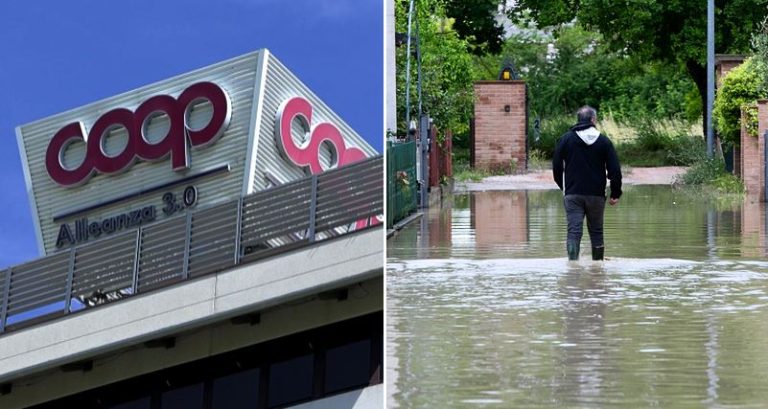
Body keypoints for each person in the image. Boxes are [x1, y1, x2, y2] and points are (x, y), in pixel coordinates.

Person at [552, 106, 622, 261]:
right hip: (596, 195)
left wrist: (564, 188)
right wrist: (615, 193)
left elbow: (556, 166)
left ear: (578, 120)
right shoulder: (604, 141)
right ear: (593, 120)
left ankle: (572, 266)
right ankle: (598, 266)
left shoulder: (566, 139)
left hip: (573, 194)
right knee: (596, 231)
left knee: (574, 231)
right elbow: (615, 170)